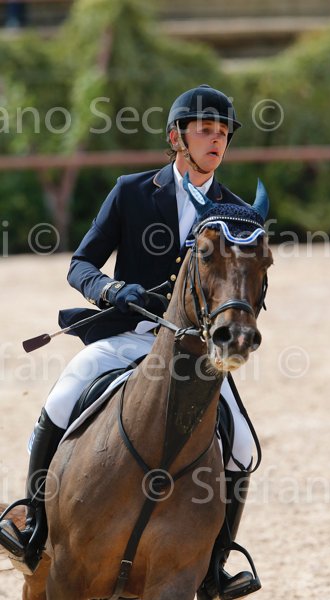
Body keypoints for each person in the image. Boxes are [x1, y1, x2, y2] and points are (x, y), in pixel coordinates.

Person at [0, 84, 261, 599]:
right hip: (127, 335)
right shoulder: (132, 191)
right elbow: (81, 264)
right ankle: (35, 524)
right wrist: (111, 288)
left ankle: (216, 562)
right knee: (63, 396)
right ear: (177, 137)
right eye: (205, 131)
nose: (216, 140)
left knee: (243, 446)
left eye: (223, 133)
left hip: (196, 354)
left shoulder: (234, 213)